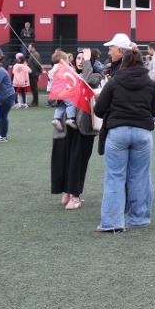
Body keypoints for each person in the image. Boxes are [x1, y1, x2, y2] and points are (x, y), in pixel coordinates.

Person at [93, 39, 155, 233]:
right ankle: (139, 219)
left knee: (115, 177)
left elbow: (99, 110)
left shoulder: (114, 81)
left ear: (123, 62)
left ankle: (112, 222)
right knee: (140, 176)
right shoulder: (150, 83)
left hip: (117, 132)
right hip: (142, 133)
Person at [52, 48, 101, 210]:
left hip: (84, 128)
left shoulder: (96, 75)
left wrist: (87, 64)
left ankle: (75, 196)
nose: (80, 61)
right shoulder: (67, 75)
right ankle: (66, 191)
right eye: (78, 58)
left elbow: (89, 81)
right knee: (62, 160)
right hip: (64, 128)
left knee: (77, 162)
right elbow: (53, 101)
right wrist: (61, 93)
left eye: (84, 58)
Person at [24, 43, 44, 108]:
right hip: (32, 73)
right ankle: (34, 101)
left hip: (34, 73)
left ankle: (35, 102)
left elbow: (37, 64)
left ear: (33, 47)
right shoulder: (32, 54)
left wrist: (40, 71)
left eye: (29, 47)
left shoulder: (35, 54)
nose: (28, 48)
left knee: (34, 88)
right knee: (33, 88)